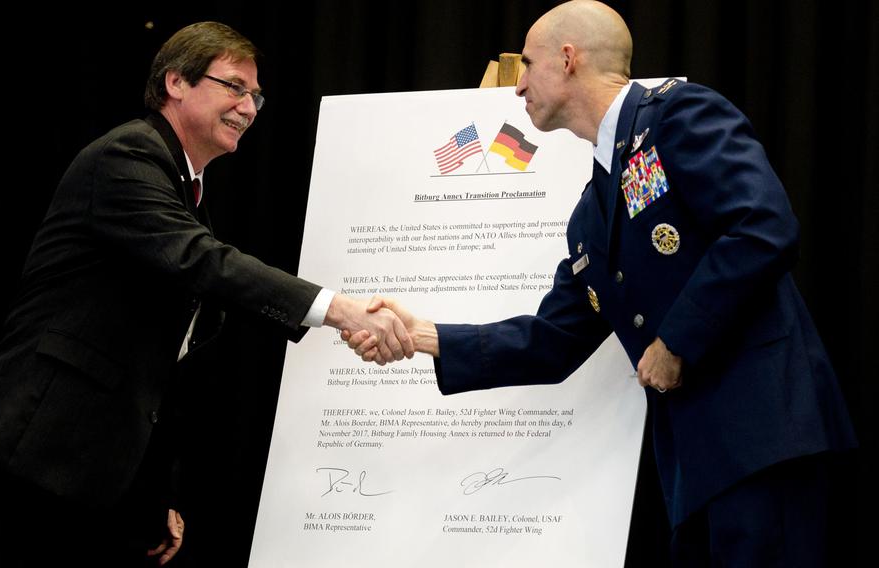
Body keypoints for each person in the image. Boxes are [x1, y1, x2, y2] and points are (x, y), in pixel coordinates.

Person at [344, 1, 857, 566]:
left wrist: (674, 342)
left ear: (567, 59)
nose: (517, 89)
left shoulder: (679, 115)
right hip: (694, 466)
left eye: (527, 66)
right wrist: (423, 336)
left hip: (765, 436)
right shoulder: (591, 215)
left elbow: (762, 226)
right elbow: (552, 341)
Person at [0, 21, 413, 567]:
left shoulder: (185, 188)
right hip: (36, 455)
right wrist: (339, 309)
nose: (249, 108)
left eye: (256, 96)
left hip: (97, 474)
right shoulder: (127, 155)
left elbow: (157, 366)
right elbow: (204, 261)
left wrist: (154, 494)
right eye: (234, 87)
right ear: (175, 82)